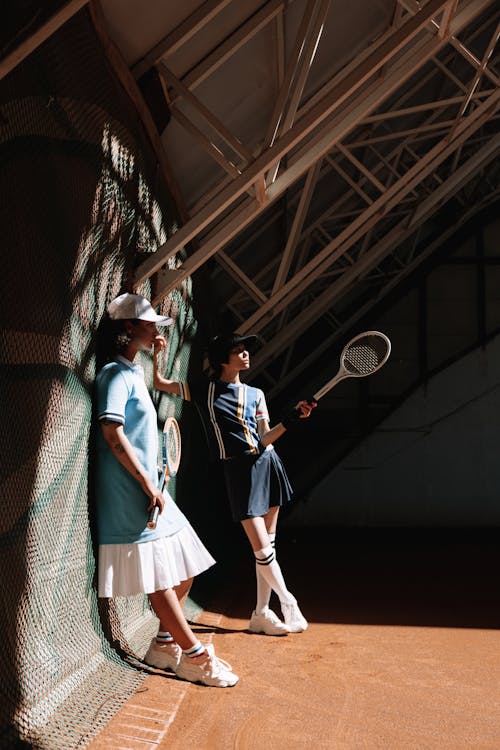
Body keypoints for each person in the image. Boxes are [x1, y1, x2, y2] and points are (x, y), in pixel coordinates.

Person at [95, 293, 238, 687]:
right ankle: (194, 656)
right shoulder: (113, 374)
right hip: (131, 494)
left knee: (185, 564)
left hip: (154, 490)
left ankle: (162, 644)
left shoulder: (132, 372)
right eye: (149, 323)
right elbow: (112, 432)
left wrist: (154, 358)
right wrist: (144, 482)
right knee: (160, 579)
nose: (157, 329)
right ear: (128, 327)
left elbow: (149, 400)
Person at [153, 331, 316, 636]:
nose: (245, 354)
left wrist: (292, 418)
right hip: (238, 470)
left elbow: (265, 438)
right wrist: (156, 353)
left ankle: (261, 613)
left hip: (267, 464)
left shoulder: (256, 395)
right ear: (222, 360)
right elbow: (160, 383)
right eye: (238, 350)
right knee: (263, 549)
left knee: (267, 547)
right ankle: (288, 601)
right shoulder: (205, 390)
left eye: (245, 350)